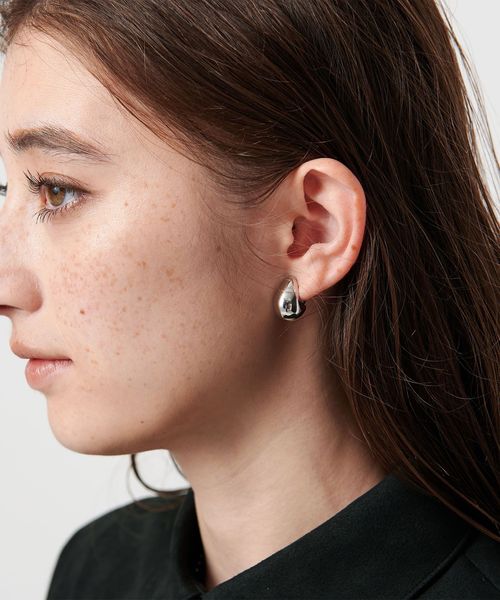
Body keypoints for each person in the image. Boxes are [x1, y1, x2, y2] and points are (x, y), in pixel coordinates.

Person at [0, 1, 498, 598]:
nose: (5, 285)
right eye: (7, 188)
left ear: (309, 232)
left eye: (57, 190)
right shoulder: (96, 572)